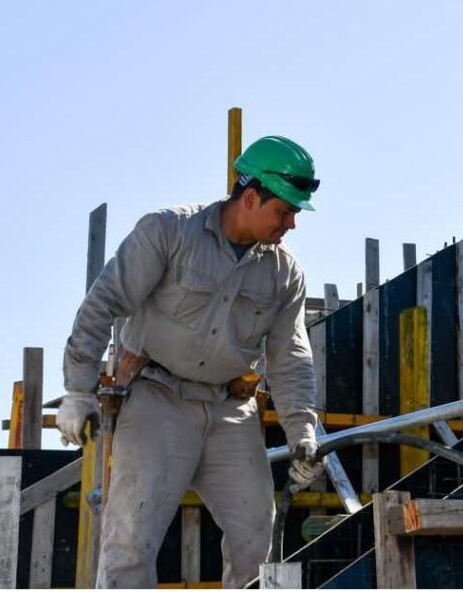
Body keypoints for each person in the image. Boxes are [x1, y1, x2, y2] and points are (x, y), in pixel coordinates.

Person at [55, 135, 326, 588]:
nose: (292, 224)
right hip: (156, 400)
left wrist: (302, 433)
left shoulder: (285, 273)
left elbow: (291, 356)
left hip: (230, 411)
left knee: (258, 540)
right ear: (251, 196)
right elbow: (103, 303)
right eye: (285, 211)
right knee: (131, 544)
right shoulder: (166, 232)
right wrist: (78, 391)